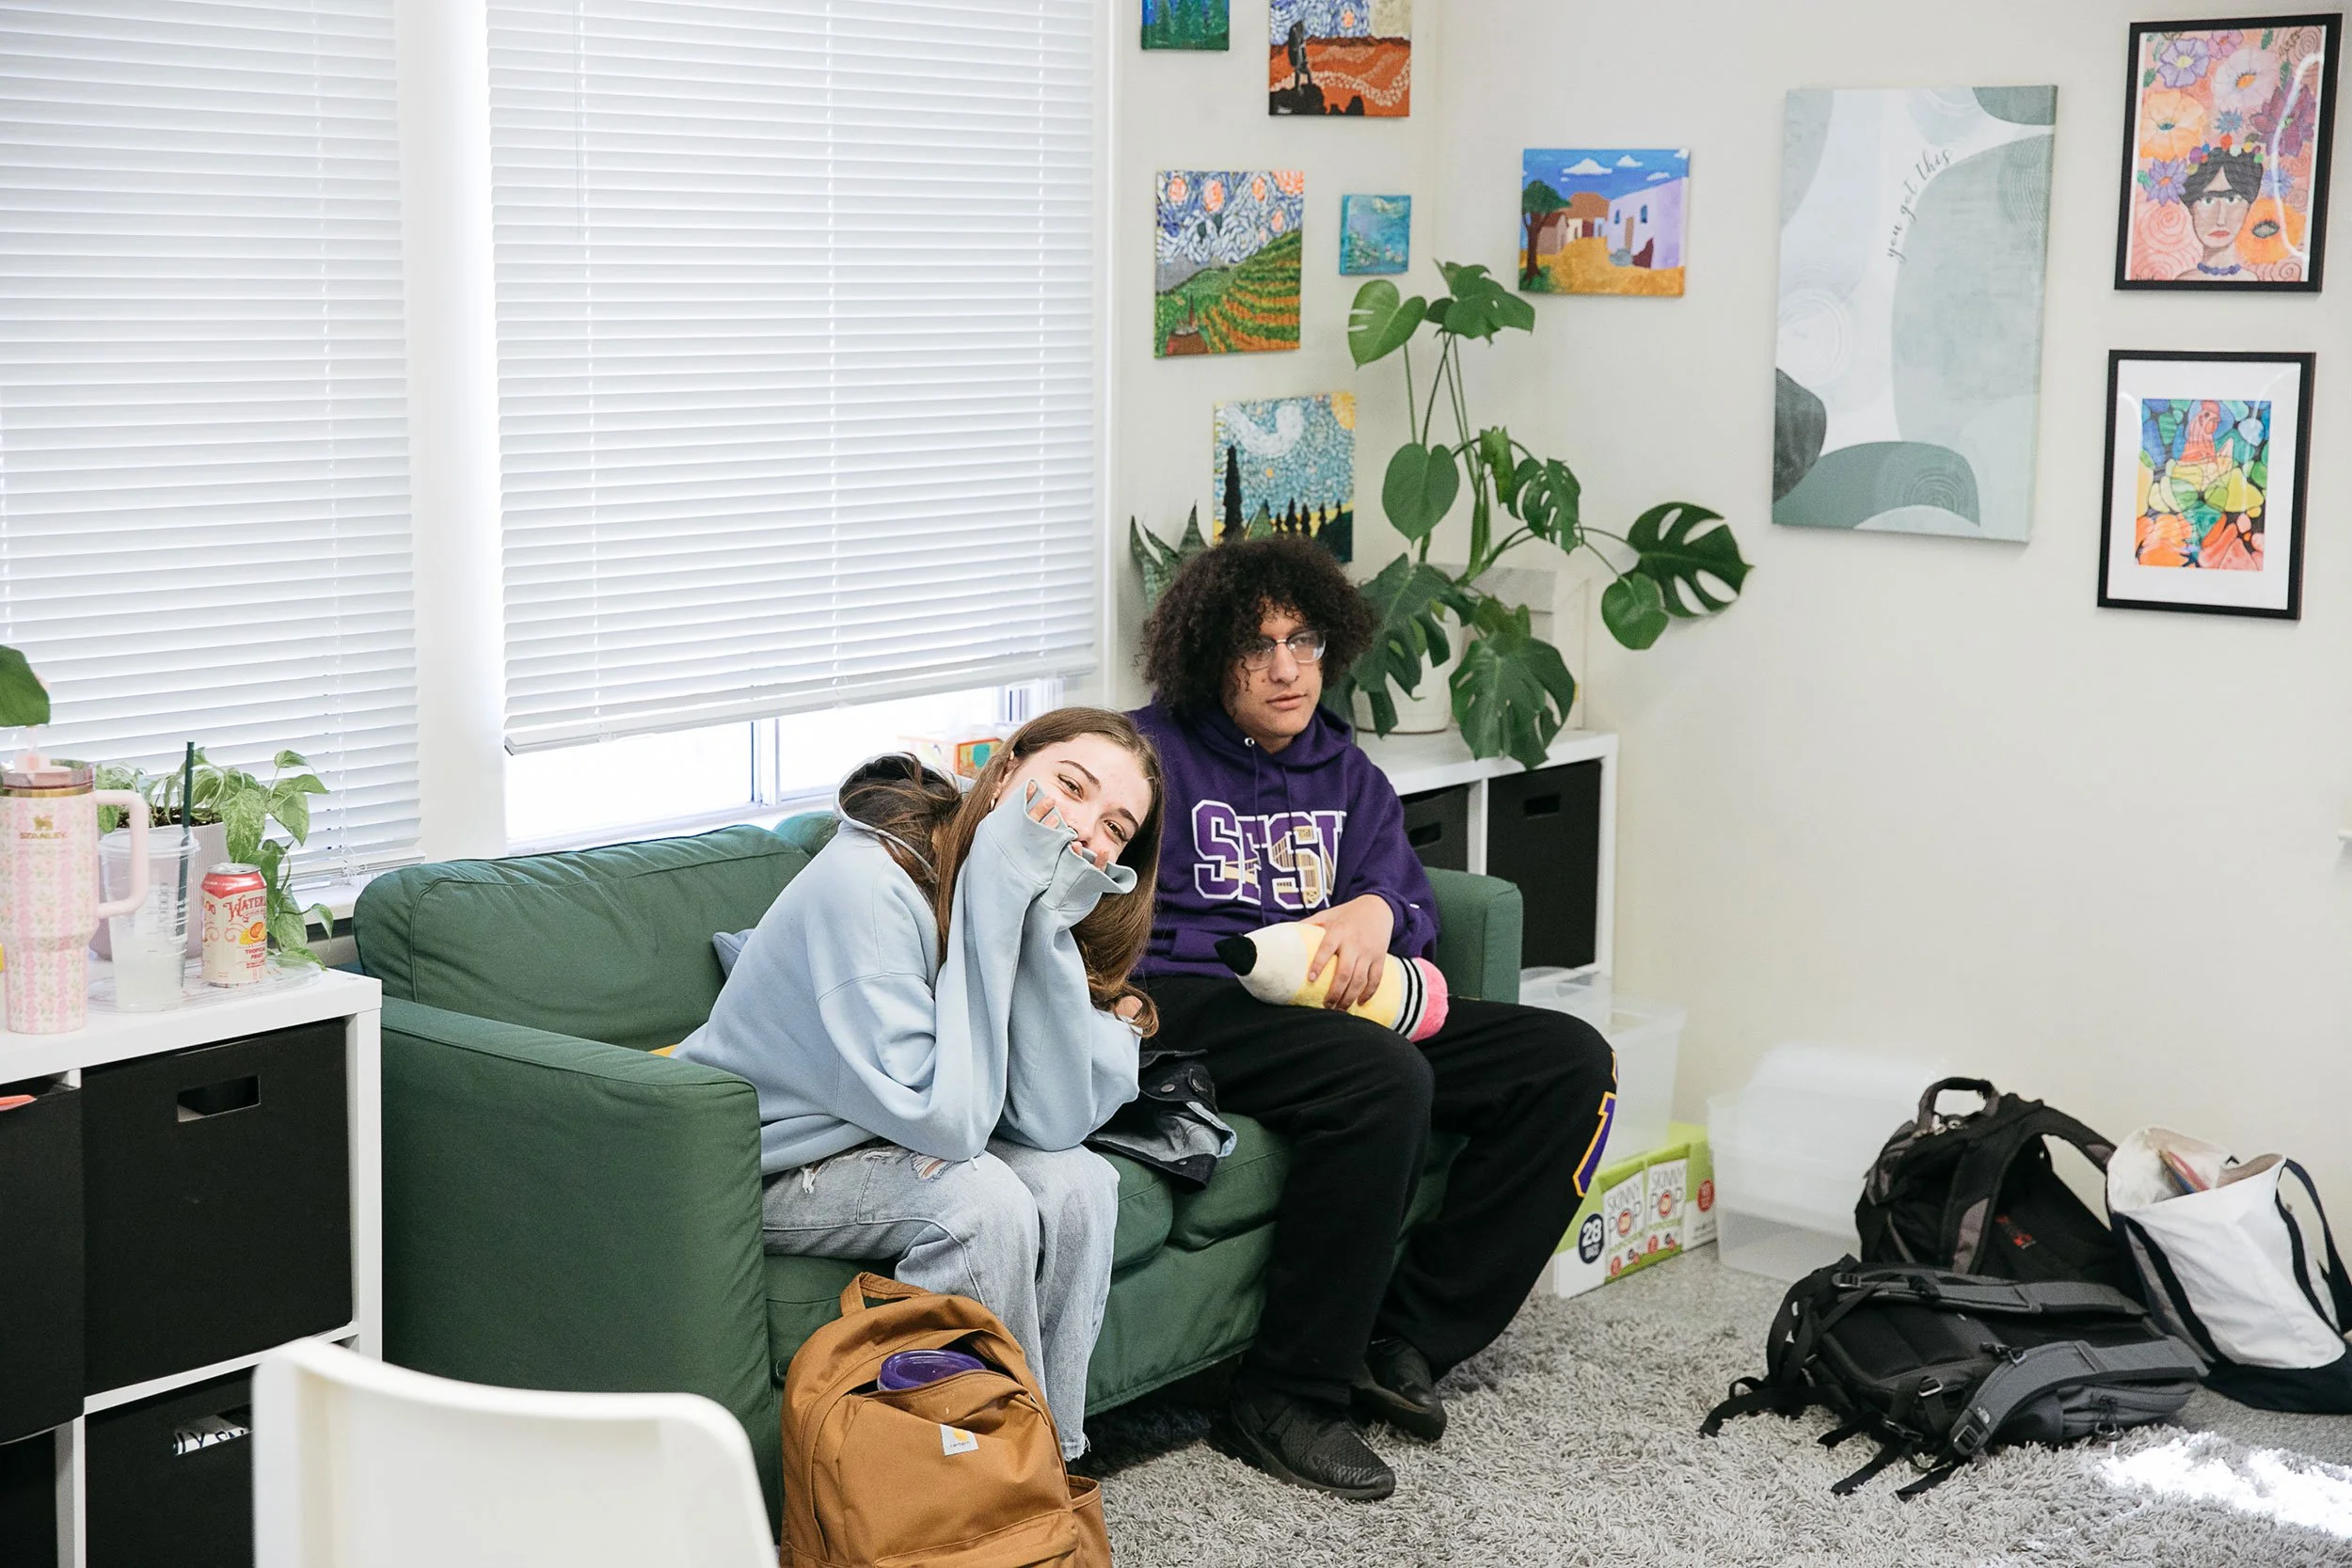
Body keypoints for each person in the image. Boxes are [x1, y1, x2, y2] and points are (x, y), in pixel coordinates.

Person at [1132, 538, 1617, 1500]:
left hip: (1323, 1003)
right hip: (1188, 996)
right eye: (1256, 646)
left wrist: (1377, 911)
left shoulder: (1343, 770)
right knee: (1383, 1074)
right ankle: (1281, 1394)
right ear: (1208, 655)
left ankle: (1405, 1337)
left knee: (1568, 1061)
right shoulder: (1149, 754)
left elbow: (1410, 901)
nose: (1286, 668)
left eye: (1302, 640)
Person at [676, 708, 1164, 1461]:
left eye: (1115, 829)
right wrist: (1001, 886)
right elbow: (951, 1122)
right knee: (982, 1203)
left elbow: (1054, 1122)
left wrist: (1040, 926)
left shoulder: (1021, 887)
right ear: (1006, 771)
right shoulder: (870, 884)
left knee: (1081, 1183)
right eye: (1071, 786)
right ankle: (986, 1475)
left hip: (879, 1131)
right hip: (761, 1161)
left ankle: (1050, 1466)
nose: (1084, 830)